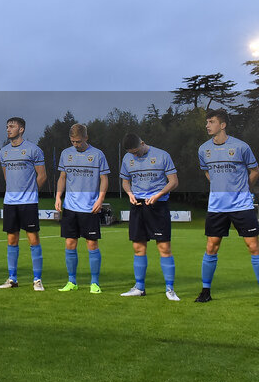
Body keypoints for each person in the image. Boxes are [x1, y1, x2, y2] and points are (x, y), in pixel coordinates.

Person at [196, 109, 259, 307]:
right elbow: (208, 173)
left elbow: (255, 171)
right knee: (211, 247)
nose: (207, 125)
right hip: (216, 207)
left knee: (253, 247)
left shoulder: (241, 147)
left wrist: (244, 189)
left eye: (211, 122)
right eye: (207, 122)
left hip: (241, 205)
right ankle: (205, 292)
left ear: (222, 125)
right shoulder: (203, 149)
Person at [119, 133, 180, 301]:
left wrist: (159, 195)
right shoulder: (127, 158)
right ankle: (139, 287)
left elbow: (173, 181)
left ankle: (170, 289)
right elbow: (125, 181)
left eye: (137, 152)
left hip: (158, 205)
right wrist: (129, 193)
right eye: (132, 153)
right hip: (137, 205)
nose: (135, 155)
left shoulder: (162, 155)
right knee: (138, 248)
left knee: (164, 248)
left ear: (143, 143)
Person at [54, 124, 108, 294]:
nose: (75, 144)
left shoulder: (98, 154)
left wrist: (100, 199)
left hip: (90, 208)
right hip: (70, 207)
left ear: (86, 138)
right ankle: (72, 281)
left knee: (92, 244)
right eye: (72, 141)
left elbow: (104, 179)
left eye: (78, 141)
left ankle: (94, 283)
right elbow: (62, 177)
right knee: (70, 243)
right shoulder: (66, 154)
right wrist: (58, 196)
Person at [0, 117, 47, 291]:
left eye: (12, 126)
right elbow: (6, 175)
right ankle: (12, 279)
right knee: (11, 239)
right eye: (7, 126)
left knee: (33, 239)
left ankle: (37, 280)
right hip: (10, 202)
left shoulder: (34, 150)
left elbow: (42, 176)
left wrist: (31, 193)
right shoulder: (3, 152)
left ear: (22, 129)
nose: (8, 129)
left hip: (29, 202)